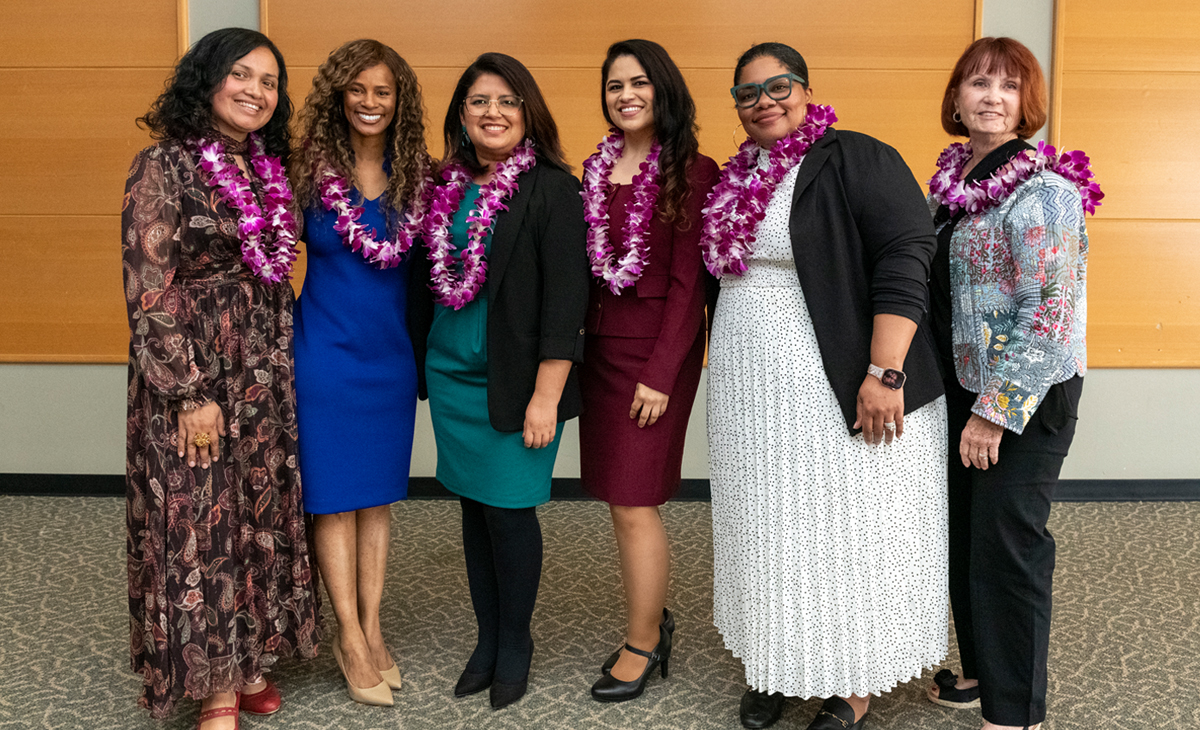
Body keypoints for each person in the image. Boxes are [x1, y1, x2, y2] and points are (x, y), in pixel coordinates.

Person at [704, 42, 948, 730]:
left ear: (807, 90)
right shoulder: (737, 177)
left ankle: (853, 681)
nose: (764, 102)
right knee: (765, 528)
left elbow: (906, 251)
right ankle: (778, 660)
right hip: (752, 395)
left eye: (778, 85)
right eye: (748, 92)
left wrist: (884, 370)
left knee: (845, 528)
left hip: (838, 382)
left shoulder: (855, 156)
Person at [122, 27, 320, 729]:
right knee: (201, 516)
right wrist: (189, 392)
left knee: (257, 508)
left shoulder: (269, 168)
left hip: (262, 364)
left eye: (269, 81)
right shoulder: (163, 165)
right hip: (196, 367)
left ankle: (251, 656)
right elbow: (149, 287)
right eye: (241, 74)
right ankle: (215, 686)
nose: (255, 91)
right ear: (206, 78)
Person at [924, 37, 1096, 730]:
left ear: (1028, 103)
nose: (991, 96)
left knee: (1008, 548)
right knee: (967, 540)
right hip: (961, 386)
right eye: (977, 82)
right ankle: (979, 676)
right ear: (956, 97)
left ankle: (1014, 713)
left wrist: (994, 412)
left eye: (1008, 85)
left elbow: (1049, 312)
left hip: (1026, 394)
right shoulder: (949, 189)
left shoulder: (1045, 192)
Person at [408, 52, 589, 710]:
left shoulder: (553, 189)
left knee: (509, 513)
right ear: (462, 114)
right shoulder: (444, 186)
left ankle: (516, 642)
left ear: (528, 112)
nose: (494, 112)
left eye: (508, 101)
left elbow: (567, 301)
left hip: (517, 382)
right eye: (480, 101)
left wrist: (547, 396)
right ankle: (486, 638)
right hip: (452, 373)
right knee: (472, 507)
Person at [290, 39, 432, 707]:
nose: (370, 102)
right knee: (332, 498)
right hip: (322, 353)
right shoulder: (303, 172)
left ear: (399, 101)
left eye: (383, 91)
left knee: (376, 498)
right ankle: (348, 638)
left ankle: (374, 627)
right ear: (338, 95)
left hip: (390, 360)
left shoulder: (421, 177)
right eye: (357, 89)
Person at [576, 38, 718, 703]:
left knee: (636, 501)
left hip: (656, 355)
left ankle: (644, 641)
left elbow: (691, 287)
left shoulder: (692, 171)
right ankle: (649, 616)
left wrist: (661, 373)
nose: (626, 95)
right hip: (602, 352)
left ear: (664, 90)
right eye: (614, 85)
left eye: (639, 83)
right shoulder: (596, 168)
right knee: (617, 497)